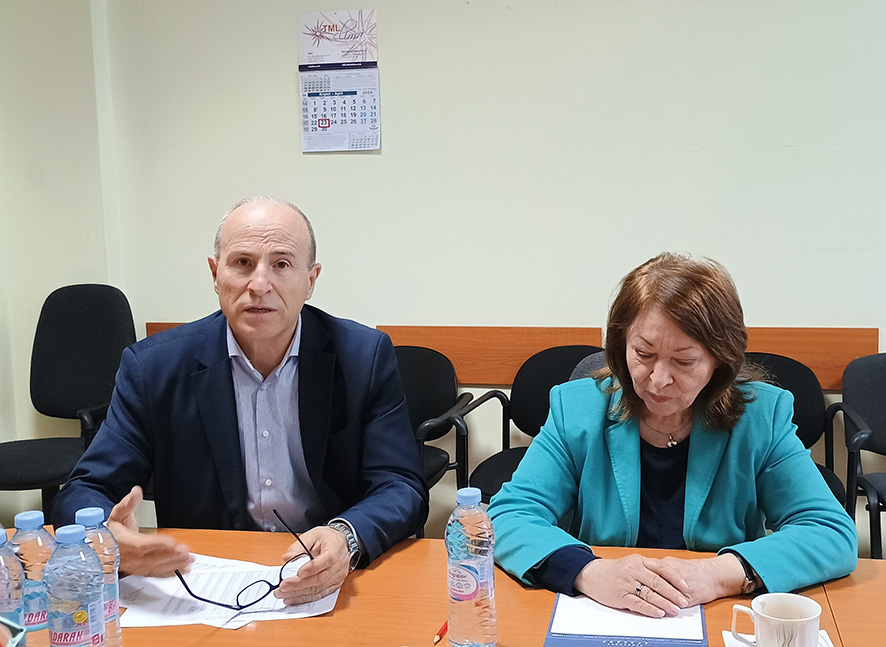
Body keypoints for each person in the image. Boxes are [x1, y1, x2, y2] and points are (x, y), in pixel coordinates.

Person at [52, 196, 428, 605]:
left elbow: (400, 485)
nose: (259, 285)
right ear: (216, 274)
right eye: (242, 263)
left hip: (324, 576)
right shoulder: (153, 369)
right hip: (203, 582)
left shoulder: (363, 357)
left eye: (281, 264)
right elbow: (85, 489)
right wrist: (106, 539)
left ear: (311, 279)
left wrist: (346, 536)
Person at [487, 252, 857, 618]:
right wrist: (589, 572)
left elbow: (830, 532)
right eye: (643, 353)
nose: (659, 380)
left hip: (717, 611)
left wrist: (717, 575)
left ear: (719, 359)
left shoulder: (761, 416)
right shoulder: (578, 408)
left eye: (684, 361)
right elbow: (508, 516)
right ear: (621, 345)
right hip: (603, 611)